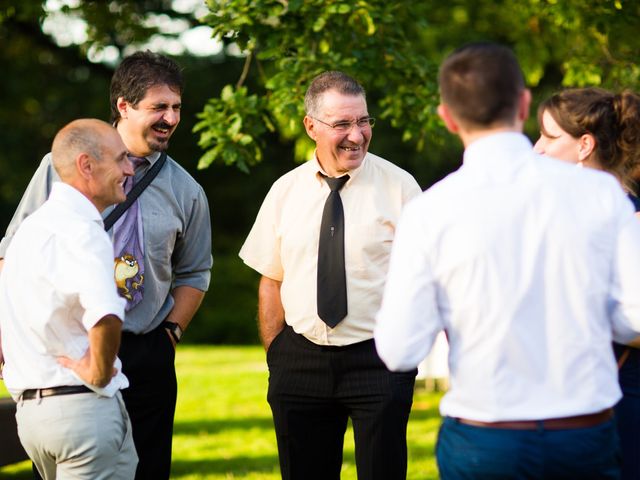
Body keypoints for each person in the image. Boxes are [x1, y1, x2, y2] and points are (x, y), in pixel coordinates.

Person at [374, 42, 640, 479]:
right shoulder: (602, 195)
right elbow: (636, 318)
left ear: (447, 116)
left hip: (486, 440)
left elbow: (400, 350)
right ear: (523, 102)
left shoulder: (429, 211)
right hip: (583, 435)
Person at [0, 51, 212, 480]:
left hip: (145, 351)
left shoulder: (187, 190)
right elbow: (13, 251)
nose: (171, 119)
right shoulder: (58, 169)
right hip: (66, 352)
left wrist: (169, 335)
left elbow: (194, 272)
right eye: (158, 108)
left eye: (176, 108)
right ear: (124, 106)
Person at [239, 71, 421, 480]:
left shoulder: (400, 188)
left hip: (379, 359)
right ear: (311, 127)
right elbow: (272, 278)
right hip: (300, 362)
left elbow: (423, 281)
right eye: (342, 124)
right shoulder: (284, 191)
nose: (356, 135)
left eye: (363, 121)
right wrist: (277, 355)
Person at [0, 118, 137, 479]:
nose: (128, 168)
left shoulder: (29, 230)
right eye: (121, 159)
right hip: (82, 411)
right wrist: (100, 372)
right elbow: (107, 314)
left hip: (32, 417)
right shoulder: (82, 232)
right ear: (86, 165)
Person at [534, 87, 640, 480]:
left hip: (619, 397)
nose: (536, 149)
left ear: (584, 145)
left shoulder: (630, 220)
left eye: (548, 136)